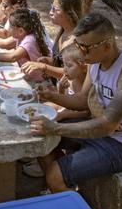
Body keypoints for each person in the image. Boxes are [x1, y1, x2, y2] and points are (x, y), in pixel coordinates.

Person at [29, 13, 122, 193]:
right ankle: (62, 189)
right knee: (40, 139)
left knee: (55, 174)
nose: (80, 52)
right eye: (77, 45)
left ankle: (67, 197)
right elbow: (82, 100)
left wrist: (55, 128)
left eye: (85, 48)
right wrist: (49, 96)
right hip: (100, 132)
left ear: (107, 45)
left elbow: (108, 125)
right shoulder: (95, 61)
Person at [23, 46, 91, 178]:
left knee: (45, 131)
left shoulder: (86, 85)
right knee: (35, 111)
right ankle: (37, 157)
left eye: (69, 65)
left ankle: (53, 166)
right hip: (66, 112)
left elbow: (86, 112)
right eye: (64, 65)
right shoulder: (71, 79)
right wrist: (60, 90)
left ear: (84, 67)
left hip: (78, 120)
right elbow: (65, 100)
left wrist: (62, 114)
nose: (64, 69)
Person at [0, 9, 51, 80]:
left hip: (37, 79)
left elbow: (12, 57)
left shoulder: (29, 40)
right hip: (26, 74)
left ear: (20, 30)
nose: (8, 29)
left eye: (10, 27)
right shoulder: (22, 34)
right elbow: (5, 44)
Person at [21, 0, 82, 81]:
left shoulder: (77, 40)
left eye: (55, 9)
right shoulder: (63, 31)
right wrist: (49, 61)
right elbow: (62, 62)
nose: (50, 12)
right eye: (51, 7)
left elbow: (71, 72)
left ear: (70, 14)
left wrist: (44, 67)